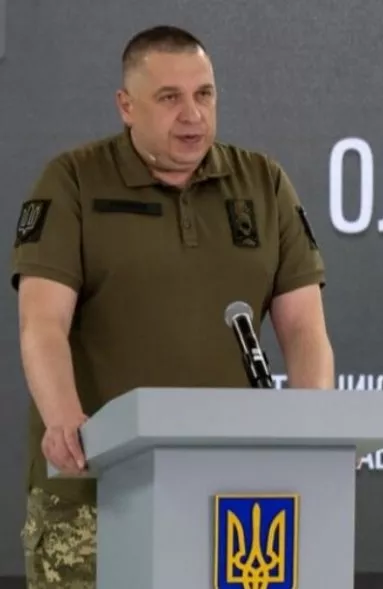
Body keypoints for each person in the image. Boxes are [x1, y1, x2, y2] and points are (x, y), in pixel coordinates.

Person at [11, 25, 335, 588]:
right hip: (97, 493)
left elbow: (305, 327)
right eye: (169, 98)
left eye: (204, 94)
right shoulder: (74, 181)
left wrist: (315, 434)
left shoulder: (263, 184)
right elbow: (41, 322)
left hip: (229, 499)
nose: (193, 115)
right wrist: (64, 419)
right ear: (126, 106)